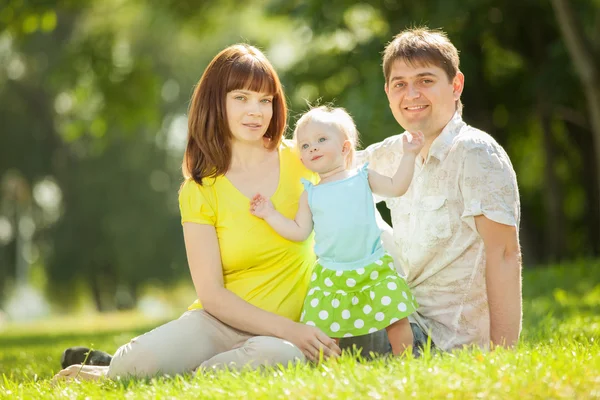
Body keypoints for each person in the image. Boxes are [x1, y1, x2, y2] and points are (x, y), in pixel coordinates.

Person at [53, 43, 341, 382]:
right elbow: (212, 295)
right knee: (135, 365)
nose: (256, 111)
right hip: (218, 323)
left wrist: (295, 332)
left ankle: (181, 372)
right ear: (216, 102)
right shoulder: (200, 189)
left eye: (265, 100)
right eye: (241, 98)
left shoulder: (303, 159)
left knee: (281, 357)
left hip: (280, 338)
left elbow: (356, 178)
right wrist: (290, 330)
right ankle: (110, 370)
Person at [356, 27, 522, 352]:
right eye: (400, 84)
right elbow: (325, 167)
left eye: (425, 80)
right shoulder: (394, 152)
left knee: (341, 340)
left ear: (455, 85)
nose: (411, 94)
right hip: (402, 319)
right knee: (336, 199)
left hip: (446, 342)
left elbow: (504, 254)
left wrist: (504, 357)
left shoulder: (476, 154)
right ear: (388, 92)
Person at [250, 106, 423, 355]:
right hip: (332, 274)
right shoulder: (310, 194)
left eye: (321, 140)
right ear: (302, 158)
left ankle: (405, 363)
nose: (313, 148)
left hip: (372, 265)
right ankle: (331, 374)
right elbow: (299, 231)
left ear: (345, 148)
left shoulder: (362, 177)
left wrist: (409, 155)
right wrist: (270, 214)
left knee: (395, 320)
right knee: (327, 331)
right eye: (306, 146)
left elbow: (397, 187)